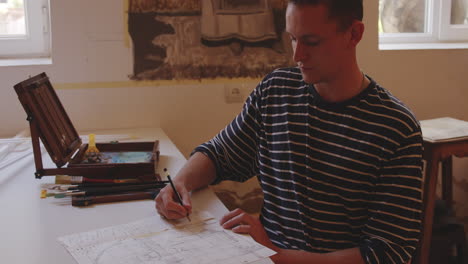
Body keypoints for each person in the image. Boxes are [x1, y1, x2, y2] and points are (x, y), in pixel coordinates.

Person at [155, 0, 423, 263]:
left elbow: (388, 253)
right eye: (293, 39)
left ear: (354, 34)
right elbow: (220, 154)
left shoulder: (395, 127)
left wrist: (275, 254)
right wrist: (181, 183)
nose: (297, 55)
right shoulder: (275, 91)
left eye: (312, 42)